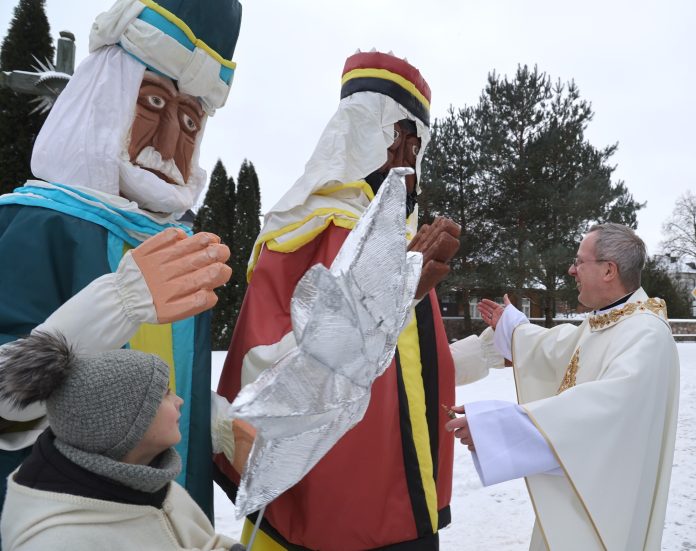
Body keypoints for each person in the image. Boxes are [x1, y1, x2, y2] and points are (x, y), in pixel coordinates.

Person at [214, 50, 503, 550]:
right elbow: (269, 376)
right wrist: (382, 304)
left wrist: (480, 354)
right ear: (359, 135)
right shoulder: (311, 230)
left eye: (417, 146)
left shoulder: (406, 238)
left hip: (404, 495)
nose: (408, 161)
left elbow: (406, 371)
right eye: (397, 141)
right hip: (337, 504)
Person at [0, 0, 242, 519]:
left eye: (190, 121)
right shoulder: (34, 223)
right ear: (106, 99)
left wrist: (211, 422)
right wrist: (120, 303)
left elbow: (169, 384)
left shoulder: (180, 243)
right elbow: (4, 401)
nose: (173, 138)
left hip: (170, 518)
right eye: (153, 103)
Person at [447, 223, 680, 550]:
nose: (571, 270)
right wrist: (512, 327)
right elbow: (553, 349)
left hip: (606, 508)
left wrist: (494, 428)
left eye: (579, 261)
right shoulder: (608, 321)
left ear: (609, 270)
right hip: (580, 493)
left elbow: (602, 415)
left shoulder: (646, 335)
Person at [0, 331, 240, 551]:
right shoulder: (58, 542)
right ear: (126, 420)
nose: (179, 401)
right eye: (165, 394)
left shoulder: (154, 484)